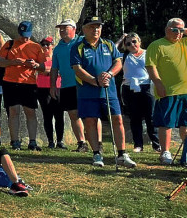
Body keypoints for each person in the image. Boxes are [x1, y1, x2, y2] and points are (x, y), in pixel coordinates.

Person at [71, 16, 136, 168]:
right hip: (87, 91)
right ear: (85, 29)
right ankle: (96, 154)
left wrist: (109, 74)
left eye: (98, 27)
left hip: (109, 89)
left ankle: (121, 154)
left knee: (117, 119)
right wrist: (95, 81)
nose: (96, 30)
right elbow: (77, 69)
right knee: (90, 121)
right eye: (92, 27)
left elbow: (118, 62)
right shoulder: (78, 46)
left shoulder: (109, 44)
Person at [146, 17, 187, 164]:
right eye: (174, 30)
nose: (178, 33)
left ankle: (186, 152)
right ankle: (165, 152)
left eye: (180, 31)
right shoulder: (157, 45)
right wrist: (158, 84)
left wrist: (183, 30)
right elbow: (150, 66)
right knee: (166, 123)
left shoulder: (185, 42)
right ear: (167, 29)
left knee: (186, 123)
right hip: (168, 91)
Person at [0, 21, 46, 151]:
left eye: (28, 35)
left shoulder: (36, 47)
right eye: (23, 35)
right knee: (13, 111)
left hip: (29, 83)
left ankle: (33, 141)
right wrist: (12, 62)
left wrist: (35, 65)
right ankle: (15, 141)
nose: (25, 38)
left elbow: (44, 67)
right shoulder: (9, 44)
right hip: (10, 82)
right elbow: (0, 62)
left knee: (30, 112)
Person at [50, 19, 88, 151]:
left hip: (85, 83)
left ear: (73, 29)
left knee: (91, 113)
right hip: (67, 85)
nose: (61, 31)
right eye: (60, 29)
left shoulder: (82, 41)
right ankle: (82, 143)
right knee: (73, 114)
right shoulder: (58, 48)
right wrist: (53, 86)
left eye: (64, 28)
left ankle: (98, 142)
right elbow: (54, 69)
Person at [121, 33, 159, 152]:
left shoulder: (148, 53)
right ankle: (138, 145)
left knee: (151, 116)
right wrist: (121, 39)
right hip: (129, 87)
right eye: (128, 43)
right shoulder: (124, 56)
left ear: (139, 41)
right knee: (134, 117)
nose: (132, 45)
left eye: (134, 42)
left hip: (147, 86)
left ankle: (156, 144)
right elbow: (112, 52)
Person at [36, 36, 62, 148]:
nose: (46, 47)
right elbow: (35, 69)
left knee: (59, 115)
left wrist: (45, 70)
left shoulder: (57, 57)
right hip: (42, 87)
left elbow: (60, 70)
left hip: (58, 87)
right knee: (47, 115)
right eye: (43, 44)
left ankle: (60, 141)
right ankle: (50, 141)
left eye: (48, 44)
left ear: (53, 45)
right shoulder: (38, 58)